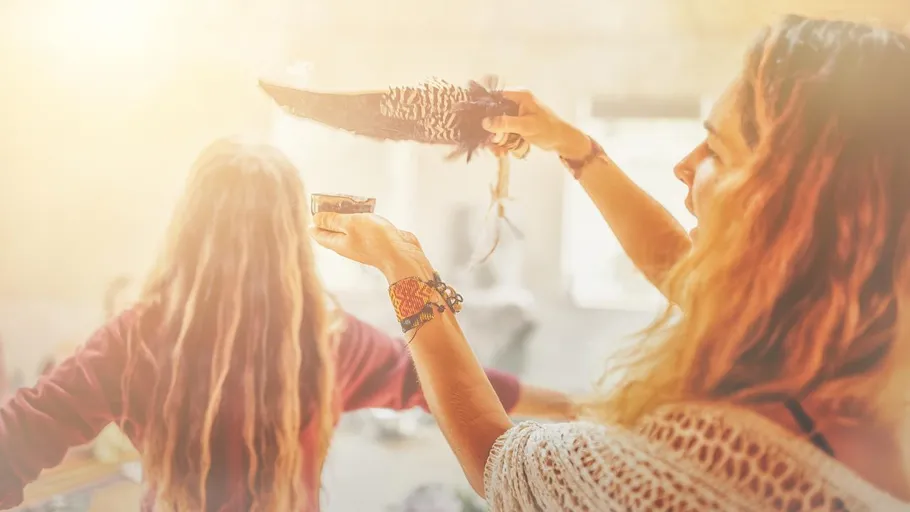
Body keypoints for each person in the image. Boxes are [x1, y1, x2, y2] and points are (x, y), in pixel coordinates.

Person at [309, 15, 910, 510]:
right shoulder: (857, 367)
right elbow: (683, 269)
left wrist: (402, 267)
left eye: (718, 151)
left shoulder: (712, 465)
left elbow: (496, 458)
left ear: (791, 212)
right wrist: (574, 147)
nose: (683, 165)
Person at [0, 138, 576, 512]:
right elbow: (448, 383)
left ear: (189, 227)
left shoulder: (138, 339)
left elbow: (22, 432)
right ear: (288, 236)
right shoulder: (325, 340)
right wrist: (577, 407)